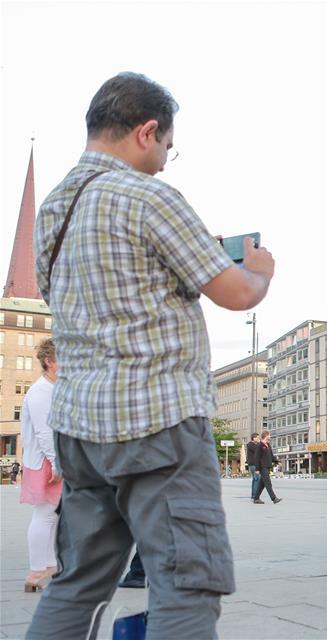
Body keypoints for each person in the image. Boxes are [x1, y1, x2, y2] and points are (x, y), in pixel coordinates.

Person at [28, 72, 274, 639]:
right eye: (167, 145)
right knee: (185, 584)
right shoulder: (149, 197)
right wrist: (259, 268)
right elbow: (237, 294)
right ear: (146, 131)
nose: (166, 159)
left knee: (77, 582)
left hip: (81, 428)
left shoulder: (54, 211)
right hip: (157, 422)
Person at [19, 339, 63, 592]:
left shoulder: (51, 388)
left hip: (51, 458)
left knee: (51, 514)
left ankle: (46, 565)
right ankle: (37, 570)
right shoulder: (40, 392)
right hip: (47, 460)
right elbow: (45, 431)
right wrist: (57, 463)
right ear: (49, 361)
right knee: (45, 514)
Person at [252, 431, 282, 504]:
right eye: (269, 435)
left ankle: (256, 498)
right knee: (268, 483)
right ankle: (274, 498)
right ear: (265, 436)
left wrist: (277, 462)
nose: (270, 437)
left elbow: (271, 456)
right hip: (262, 467)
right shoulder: (260, 445)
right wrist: (257, 469)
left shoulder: (268, 445)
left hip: (267, 466)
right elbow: (257, 458)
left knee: (262, 484)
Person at [247, 433, 261, 499]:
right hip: (253, 464)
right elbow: (257, 450)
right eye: (257, 437)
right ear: (254, 438)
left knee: (255, 479)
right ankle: (255, 495)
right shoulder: (250, 444)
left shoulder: (256, 445)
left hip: (255, 464)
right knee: (256, 479)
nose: (259, 439)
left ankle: (253, 495)